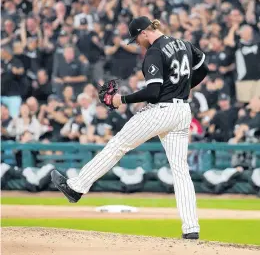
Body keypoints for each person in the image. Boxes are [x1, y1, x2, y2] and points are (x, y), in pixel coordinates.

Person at [51, 16, 208, 240]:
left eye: (136, 38)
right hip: (182, 111)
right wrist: (183, 87)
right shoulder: (183, 44)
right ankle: (191, 228)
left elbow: (153, 92)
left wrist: (121, 100)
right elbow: (203, 67)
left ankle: (76, 187)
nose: (137, 43)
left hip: (161, 111)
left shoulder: (155, 51)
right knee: (181, 172)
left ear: (144, 32)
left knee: (118, 145)